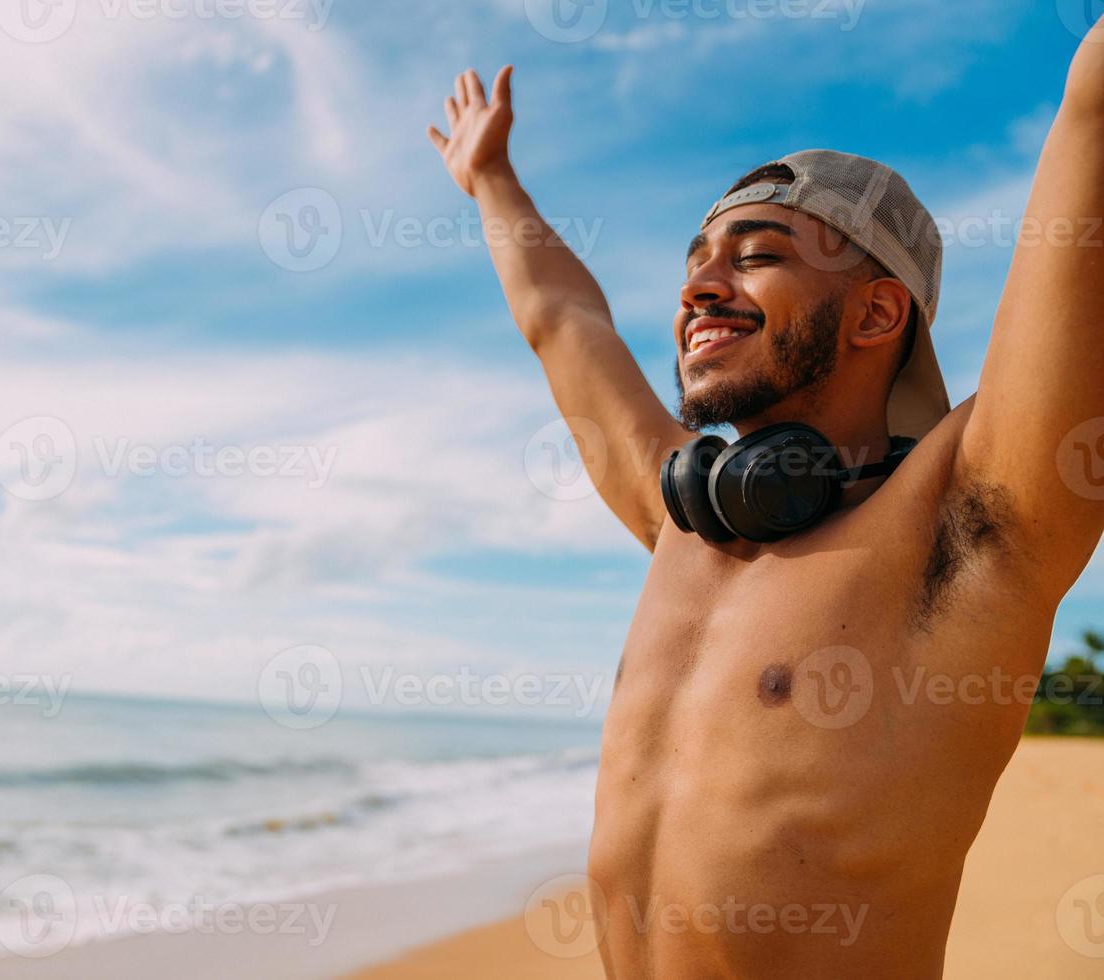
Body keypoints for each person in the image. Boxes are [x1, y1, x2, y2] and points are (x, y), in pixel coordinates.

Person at [427, 27, 1104, 979]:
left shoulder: (973, 528)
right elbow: (562, 322)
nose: (699, 287)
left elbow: (1093, 120)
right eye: (698, 258)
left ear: (876, 312)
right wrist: (491, 179)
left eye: (755, 255)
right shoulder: (682, 515)